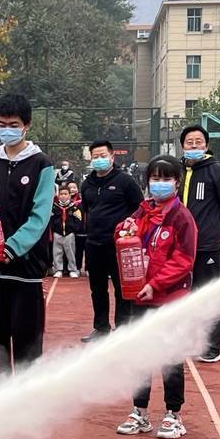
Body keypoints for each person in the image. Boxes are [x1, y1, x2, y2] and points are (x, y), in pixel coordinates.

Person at [0, 92, 55, 375]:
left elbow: (40, 215)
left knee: (27, 338)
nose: (7, 129)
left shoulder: (42, 164)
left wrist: (13, 246)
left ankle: (26, 399)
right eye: (2, 123)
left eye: (13, 124)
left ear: (26, 125)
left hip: (25, 265)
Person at [114, 155, 197, 439]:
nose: (159, 184)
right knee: (140, 356)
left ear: (177, 182)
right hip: (140, 296)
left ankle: (174, 415)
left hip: (169, 299)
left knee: (169, 357)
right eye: (155, 178)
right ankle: (140, 412)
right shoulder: (142, 212)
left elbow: (183, 259)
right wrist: (122, 230)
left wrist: (157, 284)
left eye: (166, 178)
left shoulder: (182, 217)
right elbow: (124, 235)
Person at [178, 125, 220, 362]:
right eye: (189, 142)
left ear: (207, 145)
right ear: (182, 145)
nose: (194, 146)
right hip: (178, 245)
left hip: (206, 245)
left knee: (208, 294)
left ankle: (211, 347)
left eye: (198, 142)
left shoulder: (217, 171)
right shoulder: (177, 170)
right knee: (181, 295)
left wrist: (210, 227)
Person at [79, 139, 145, 341]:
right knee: (97, 288)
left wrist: (129, 229)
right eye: (95, 157)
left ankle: (123, 327)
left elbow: (140, 208)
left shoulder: (125, 181)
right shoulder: (86, 184)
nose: (99, 160)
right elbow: (88, 209)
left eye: (103, 156)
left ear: (112, 157)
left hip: (118, 246)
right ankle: (101, 328)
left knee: (121, 288)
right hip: (93, 243)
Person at [49, 185, 81, 278]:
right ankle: (58, 269)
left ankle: (72, 269)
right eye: (61, 194)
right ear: (58, 195)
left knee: (70, 252)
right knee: (57, 252)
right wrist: (54, 228)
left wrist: (73, 229)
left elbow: (78, 219)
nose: (63, 196)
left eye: (65, 194)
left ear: (69, 195)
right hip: (57, 233)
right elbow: (50, 219)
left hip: (69, 234)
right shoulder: (54, 207)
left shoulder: (74, 207)